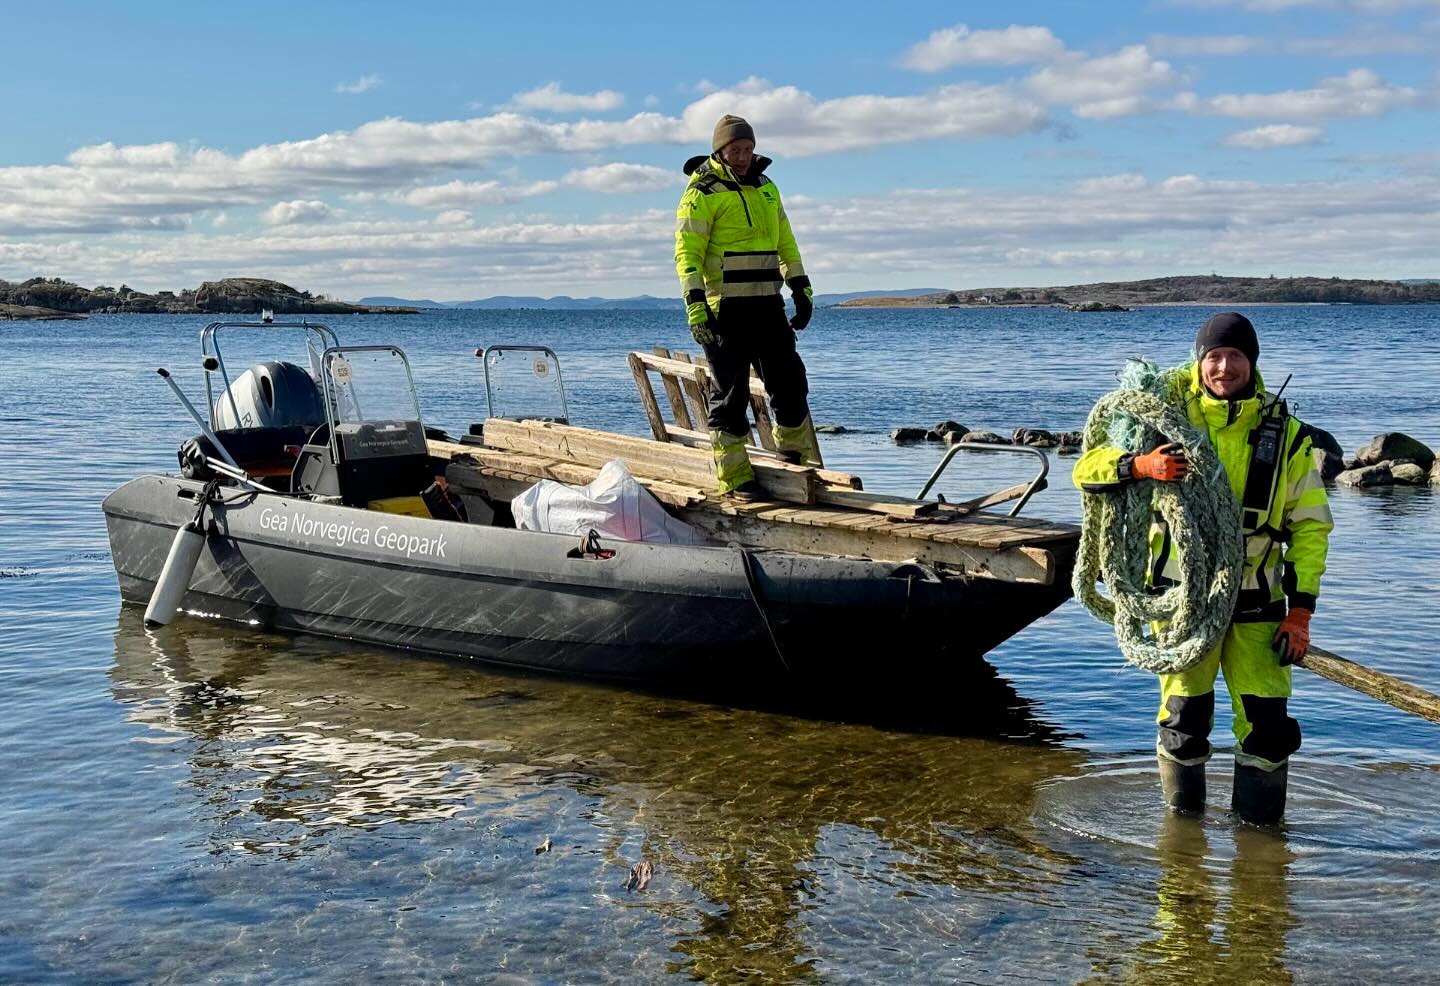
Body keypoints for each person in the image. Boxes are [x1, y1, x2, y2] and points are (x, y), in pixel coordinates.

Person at [1072, 312, 1333, 824]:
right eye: (1214, 356)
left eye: (1236, 356)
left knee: (1267, 729)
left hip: (1257, 604)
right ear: (1199, 362)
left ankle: (1261, 849)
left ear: (1252, 363)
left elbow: (1310, 530)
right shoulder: (1161, 419)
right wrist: (1138, 466)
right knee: (1185, 722)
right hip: (1182, 603)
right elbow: (1086, 469)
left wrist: (1300, 613)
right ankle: (1180, 844)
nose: (1224, 367)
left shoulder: (1289, 438)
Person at [674, 114, 818, 498]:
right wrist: (696, 306)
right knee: (731, 395)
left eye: (748, 149)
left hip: (768, 304)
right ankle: (735, 477)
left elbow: (786, 242)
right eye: (735, 149)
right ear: (720, 150)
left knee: (790, 383)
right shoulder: (702, 192)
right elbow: (687, 254)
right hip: (724, 309)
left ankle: (793, 461)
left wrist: (800, 288)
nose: (742, 156)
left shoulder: (767, 187)